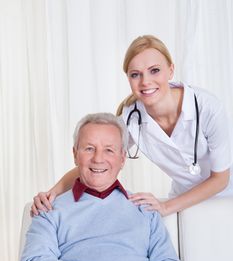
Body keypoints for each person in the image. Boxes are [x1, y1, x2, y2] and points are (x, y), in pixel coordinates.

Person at [1, 113, 182, 261]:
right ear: (75, 154)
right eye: (89, 148)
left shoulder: (145, 210)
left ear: (122, 158)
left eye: (109, 150)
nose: (98, 158)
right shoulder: (49, 208)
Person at [31, 35, 233, 217]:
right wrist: (52, 193)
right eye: (135, 74)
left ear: (170, 70)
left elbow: (220, 179)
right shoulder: (130, 119)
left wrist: (166, 207)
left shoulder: (207, 107)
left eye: (154, 70)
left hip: (226, 196)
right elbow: (95, 163)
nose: (145, 82)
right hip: (183, 201)